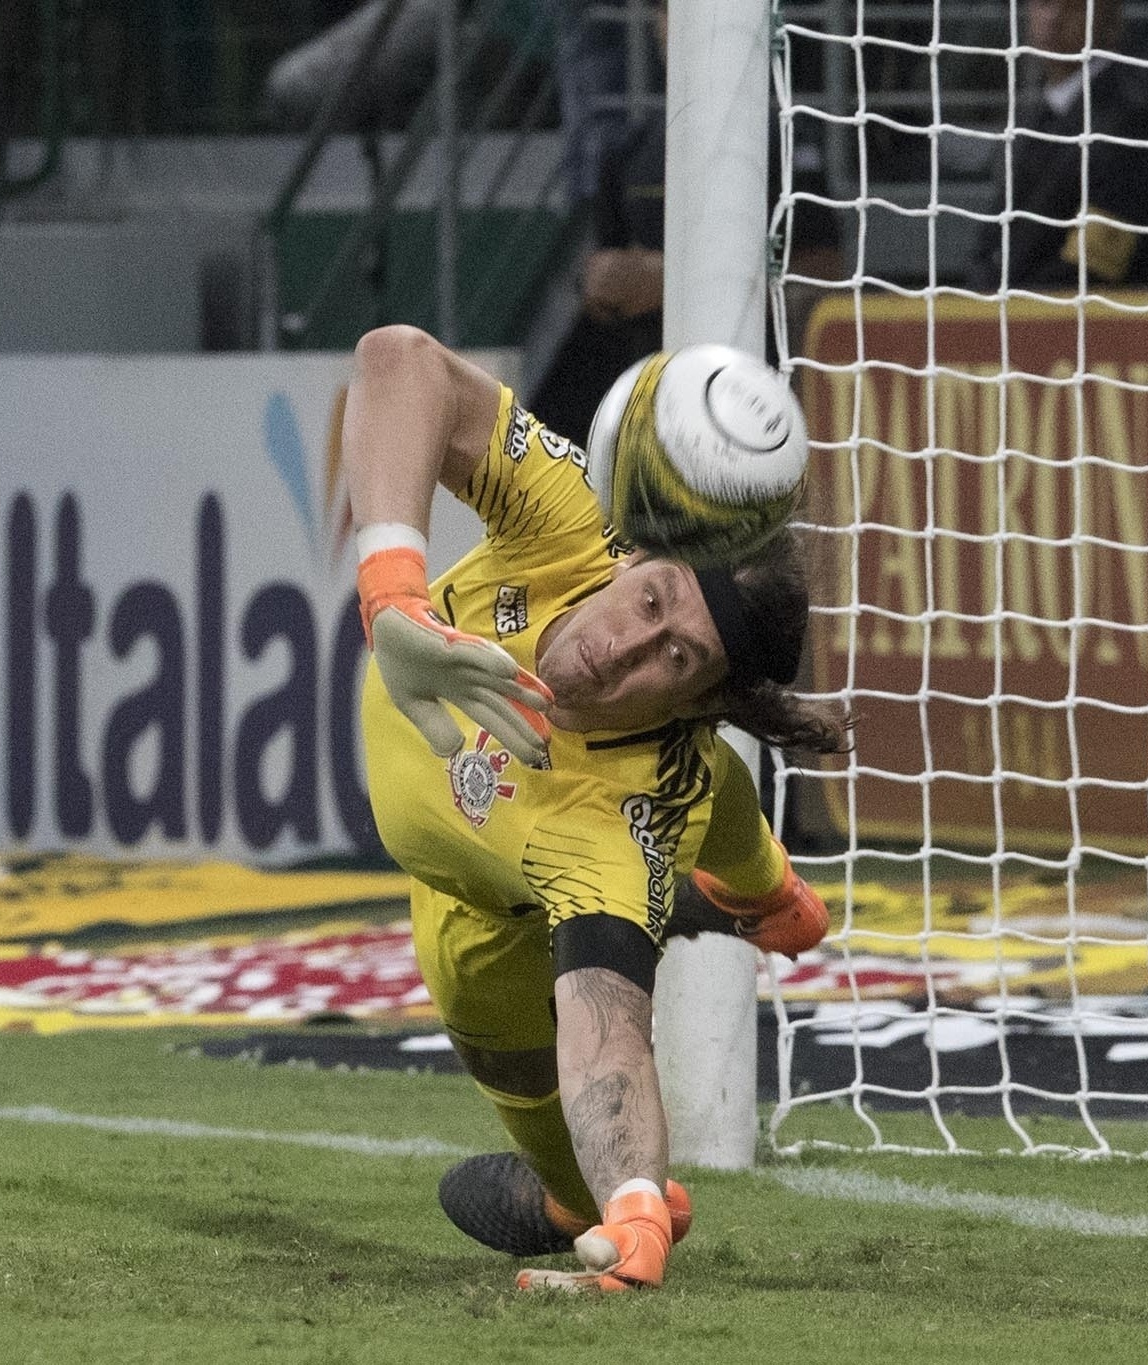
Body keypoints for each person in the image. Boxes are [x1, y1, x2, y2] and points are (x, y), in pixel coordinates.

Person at [344, 324, 850, 1292]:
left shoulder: (622, 834)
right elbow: (395, 361)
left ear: (699, 703)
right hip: (466, 858)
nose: (628, 646)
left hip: (498, 925)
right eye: (652, 602)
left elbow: (611, 1031)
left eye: (678, 660)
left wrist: (633, 1214)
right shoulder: (574, 521)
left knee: (580, 1187)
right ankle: (771, 900)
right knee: (716, 820)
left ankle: (768, 902)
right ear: (634, 561)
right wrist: (393, 598)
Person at [529, 0, 843, 443]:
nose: (673, 23)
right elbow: (606, 281)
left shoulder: (783, 140)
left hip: (760, 400)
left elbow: (827, 275)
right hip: (656, 402)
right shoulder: (630, 148)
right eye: (663, 10)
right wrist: (598, 286)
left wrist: (672, 282)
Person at [970, 0, 1148, 294]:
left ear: (1108, 22)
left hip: (1090, 324)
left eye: (1072, 7)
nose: (1053, 18)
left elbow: (1093, 265)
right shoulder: (1036, 114)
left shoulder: (1132, 118)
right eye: (1043, 4)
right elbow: (991, 241)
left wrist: (1010, 301)